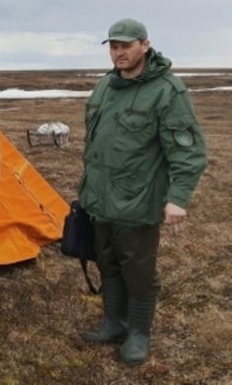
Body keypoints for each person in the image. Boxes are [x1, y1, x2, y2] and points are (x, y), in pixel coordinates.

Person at [79, 18, 208, 365]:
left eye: (126, 45)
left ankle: (138, 333)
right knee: (107, 262)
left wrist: (177, 198)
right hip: (100, 197)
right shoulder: (105, 86)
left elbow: (189, 152)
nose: (119, 52)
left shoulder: (168, 90)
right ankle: (113, 323)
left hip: (138, 201)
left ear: (145, 45)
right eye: (114, 46)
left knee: (138, 270)